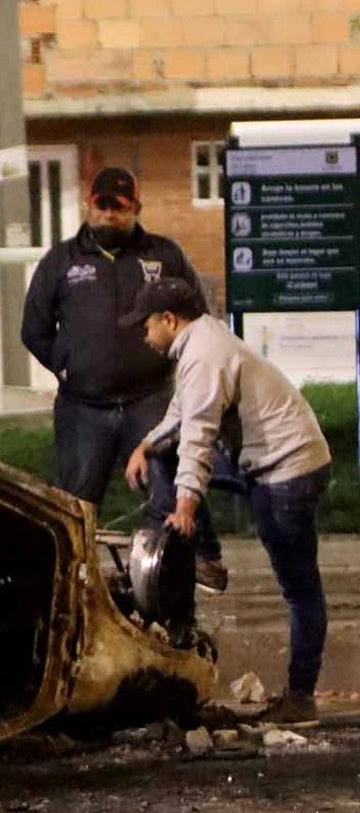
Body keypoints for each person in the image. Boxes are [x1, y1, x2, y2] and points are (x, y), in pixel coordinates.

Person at [121, 279, 331, 725]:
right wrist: (144, 443)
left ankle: (300, 696)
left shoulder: (204, 355)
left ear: (169, 320)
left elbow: (198, 435)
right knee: (163, 453)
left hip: (288, 469)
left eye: (146, 326)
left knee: (300, 590)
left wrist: (186, 508)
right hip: (266, 460)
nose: (143, 336)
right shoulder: (201, 344)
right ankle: (208, 559)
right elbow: (181, 415)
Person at [20, 167, 227, 589]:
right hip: (83, 407)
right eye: (102, 204)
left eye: (119, 206)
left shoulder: (165, 254)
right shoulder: (61, 261)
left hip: (148, 401)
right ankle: (73, 588)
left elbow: (197, 318)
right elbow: (34, 329)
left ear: (136, 207)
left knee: (167, 494)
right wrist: (67, 365)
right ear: (88, 204)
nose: (109, 214)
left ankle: (170, 583)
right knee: (76, 506)